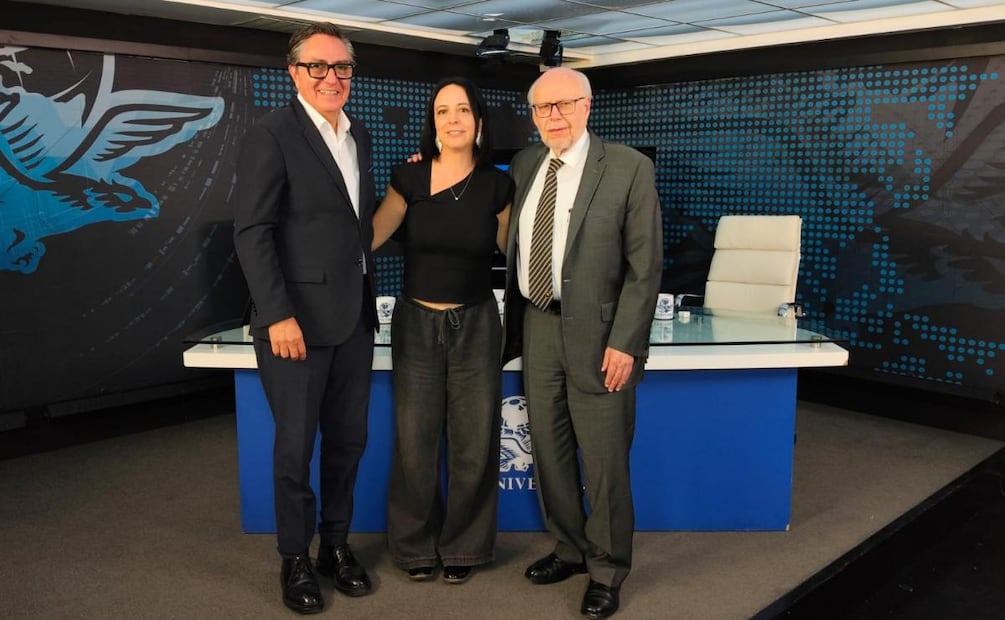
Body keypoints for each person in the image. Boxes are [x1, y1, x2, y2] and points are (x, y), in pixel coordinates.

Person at [501, 67, 663, 619]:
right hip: (538, 326)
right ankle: (569, 550)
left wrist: (626, 343)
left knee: (604, 461)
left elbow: (645, 267)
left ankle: (607, 570)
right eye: (542, 108)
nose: (553, 116)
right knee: (549, 452)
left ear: (587, 106)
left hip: (601, 337)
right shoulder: (526, 164)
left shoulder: (628, 167)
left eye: (564, 104)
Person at [231, 22, 377, 614]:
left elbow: (350, 224)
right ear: (294, 72)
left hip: (353, 320)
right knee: (295, 450)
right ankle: (294, 557)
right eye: (318, 66)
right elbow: (253, 231)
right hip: (294, 326)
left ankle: (334, 546)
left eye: (341, 67)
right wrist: (277, 315)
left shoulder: (358, 133)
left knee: (348, 442)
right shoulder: (271, 134)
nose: (331, 77)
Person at [372, 77, 514, 584]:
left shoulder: (498, 186)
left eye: (462, 110)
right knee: (415, 443)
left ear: (479, 121)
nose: (452, 119)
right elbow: (369, 237)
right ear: (432, 122)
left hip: (477, 322)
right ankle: (414, 548)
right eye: (442, 111)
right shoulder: (408, 177)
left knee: (474, 442)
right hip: (416, 323)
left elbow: (515, 251)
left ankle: (465, 548)